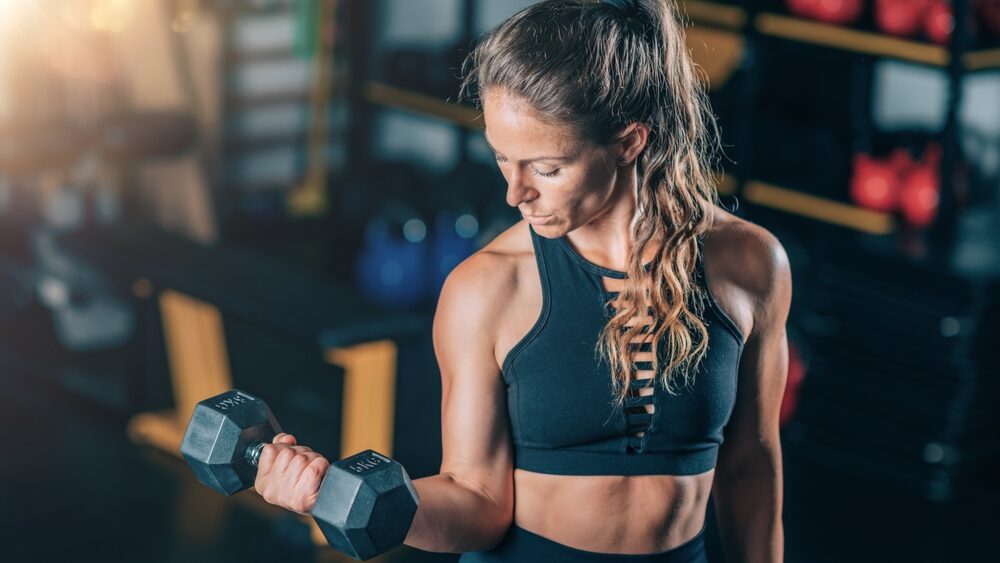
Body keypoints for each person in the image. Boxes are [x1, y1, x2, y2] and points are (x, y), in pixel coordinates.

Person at [252, 0, 790, 561]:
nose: (515, 193)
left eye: (547, 168)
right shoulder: (487, 288)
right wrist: (336, 495)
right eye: (502, 159)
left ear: (629, 141)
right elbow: (475, 500)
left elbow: (752, 466)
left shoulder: (751, 264)